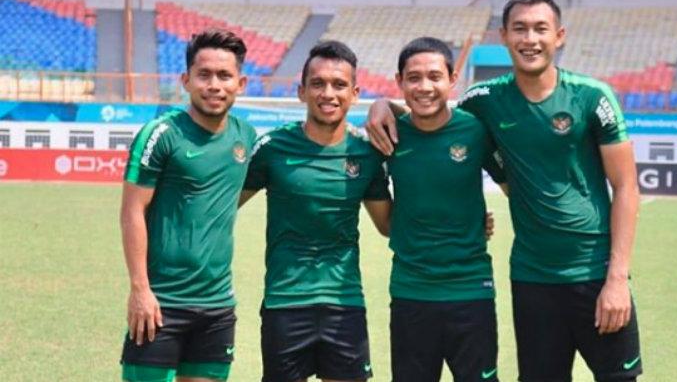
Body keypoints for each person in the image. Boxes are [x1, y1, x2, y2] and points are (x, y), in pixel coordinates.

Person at [366, 0, 642, 382]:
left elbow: (627, 187)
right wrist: (382, 104)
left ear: (559, 36)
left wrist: (617, 279)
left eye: (540, 29)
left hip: (595, 271)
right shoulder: (486, 100)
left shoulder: (592, 97)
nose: (530, 39)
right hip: (531, 276)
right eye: (520, 29)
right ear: (504, 36)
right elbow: (432, 111)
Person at [240, 41, 392, 382]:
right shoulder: (272, 148)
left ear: (354, 94)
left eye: (339, 85)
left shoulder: (366, 154)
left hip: (345, 302)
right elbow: (222, 205)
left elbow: (388, 225)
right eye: (318, 84)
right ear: (301, 92)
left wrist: (461, 216)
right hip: (285, 302)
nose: (328, 93)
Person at [119, 28, 256, 382]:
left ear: (240, 83)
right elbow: (132, 211)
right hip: (160, 303)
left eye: (225, 76)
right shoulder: (161, 134)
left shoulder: (246, 137)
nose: (215, 85)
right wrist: (140, 290)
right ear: (186, 80)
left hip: (218, 307)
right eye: (204, 74)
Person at [385, 36, 505, 382]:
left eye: (435, 77)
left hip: (471, 291)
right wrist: (382, 105)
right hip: (411, 292)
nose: (425, 87)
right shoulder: (388, 135)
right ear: (399, 82)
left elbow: (517, 190)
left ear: (452, 79)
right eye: (414, 78)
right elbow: (383, 221)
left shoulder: (475, 130)